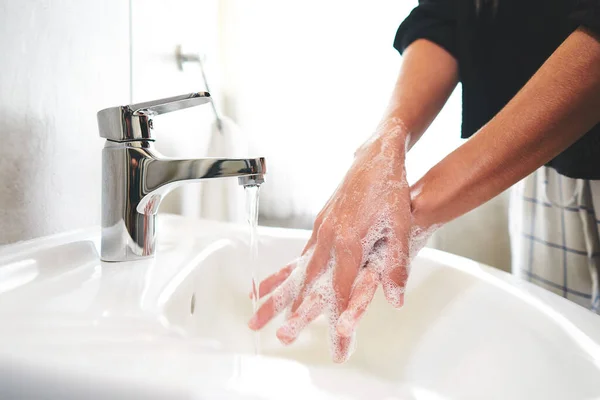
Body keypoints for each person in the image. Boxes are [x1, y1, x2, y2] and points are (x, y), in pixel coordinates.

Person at [248, 0, 600, 363]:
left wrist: (412, 210)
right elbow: (444, 15)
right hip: (544, 163)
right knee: (561, 360)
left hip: (559, 133)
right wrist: (385, 142)